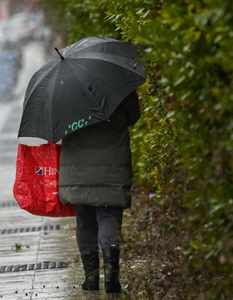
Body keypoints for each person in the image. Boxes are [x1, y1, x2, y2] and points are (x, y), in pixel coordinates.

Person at [58, 90, 141, 293]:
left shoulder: (64, 91)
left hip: (77, 170)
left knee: (85, 222)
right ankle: (112, 275)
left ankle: (91, 279)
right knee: (109, 218)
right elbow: (134, 116)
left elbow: (57, 127)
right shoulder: (118, 84)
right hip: (112, 165)